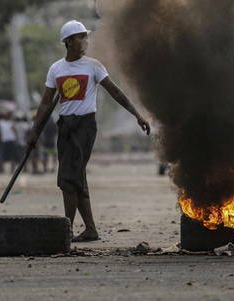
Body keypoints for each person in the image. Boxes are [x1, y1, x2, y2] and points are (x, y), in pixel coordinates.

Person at [28, 20, 151, 242]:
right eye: (81, 37)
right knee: (76, 177)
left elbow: (115, 92)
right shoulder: (56, 69)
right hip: (65, 126)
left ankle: (66, 231)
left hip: (85, 127)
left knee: (68, 178)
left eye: (86, 36)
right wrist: (34, 131)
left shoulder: (93, 66)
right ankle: (90, 229)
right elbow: (46, 104)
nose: (85, 41)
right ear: (68, 42)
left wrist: (137, 115)